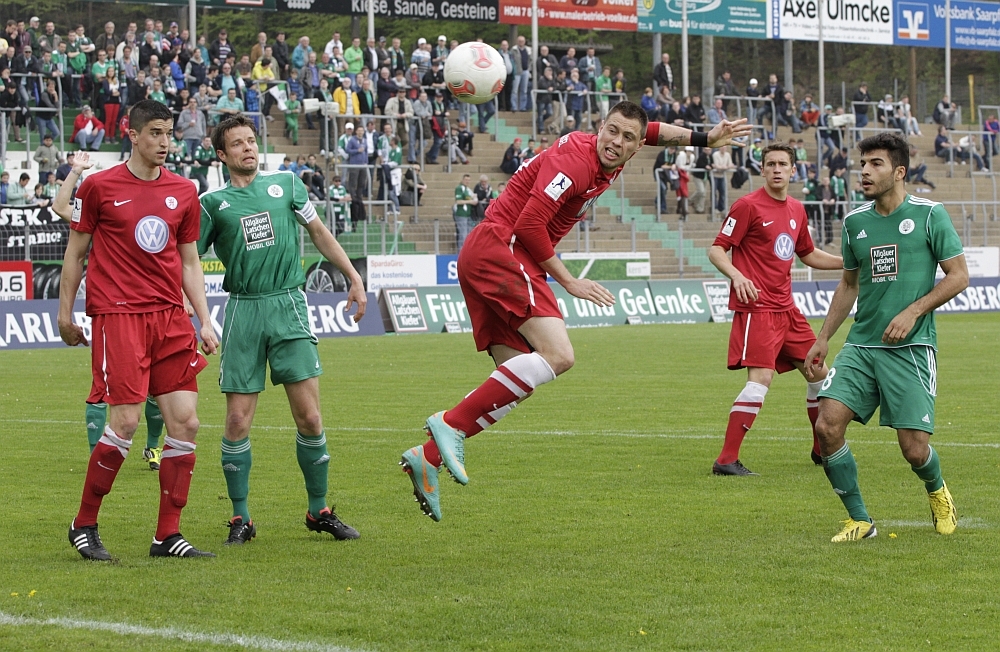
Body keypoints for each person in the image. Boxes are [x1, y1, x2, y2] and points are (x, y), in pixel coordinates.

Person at [398, 102, 752, 521]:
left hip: (490, 252)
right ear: (600, 127)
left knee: (518, 377)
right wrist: (570, 281)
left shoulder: (617, 150)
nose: (616, 142)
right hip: (504, 246)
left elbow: (655, 130)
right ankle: (450, 423)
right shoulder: (578, 163)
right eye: (611, 131)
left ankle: (428, 457)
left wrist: (705, 139)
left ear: (638, 146)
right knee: (559, 355)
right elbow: (529, 225)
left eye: (627, 137)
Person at [59, 100, 219, 561]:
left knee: (186, 422)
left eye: (169, 133)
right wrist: (65, 315)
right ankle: (83, 523)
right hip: (119, 316)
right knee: (126, 422)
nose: (165, 142)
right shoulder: (99, 186)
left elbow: (190, 262)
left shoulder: (184, 190)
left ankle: (167, 535)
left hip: (170, 318)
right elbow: (75, 254)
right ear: (132, 134)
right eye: (155, 133)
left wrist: (204, 318)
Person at [198, 114, 366, 545]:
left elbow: (318, 232)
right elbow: (187, 261)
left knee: (310, 417)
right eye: (238, 144)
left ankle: (319, 510)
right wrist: (197, 316)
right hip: (243, 311)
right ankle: (240, 517)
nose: (248, 148)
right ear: (222, 155)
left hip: (289, 305)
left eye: (251, 141)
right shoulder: (211, 204)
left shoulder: (287, 185)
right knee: (237, 420)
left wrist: (352, 275)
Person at [804, 132, 967, 542]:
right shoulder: (855, 222)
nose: (864, 171)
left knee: (914, 449)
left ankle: (937, 491)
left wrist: (913, 311)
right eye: (862, 164)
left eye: (875, 163)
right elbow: (848, 284)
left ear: (899, 172)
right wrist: (823, 337)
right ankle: (860, 520)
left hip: (910, 348)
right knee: (827, 426)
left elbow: (959, 276)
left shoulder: (930, 215)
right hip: (862, 345)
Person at [708, 143, 844, 476]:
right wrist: (738, 276)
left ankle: (821, 450)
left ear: (794, 170)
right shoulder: (747, 206)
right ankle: (726, 460)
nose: (777, 169)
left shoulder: (797, 208)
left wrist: (847, 263)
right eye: (771, 164)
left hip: (788, 310)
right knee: (761, 380)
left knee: (819, 375)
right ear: (763, 170)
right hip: (757, 309)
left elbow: (808, 254)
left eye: (783, 164)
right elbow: (717, 250)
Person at [454, 173, 477, 250]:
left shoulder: (468, 190)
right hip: (461, 214)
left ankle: (467, 250)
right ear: (462, 180)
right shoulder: (459, 188)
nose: (467, 181)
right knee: (463, 234)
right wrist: (470, 202)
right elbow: (458, 201)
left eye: (469, 180)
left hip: (468, 214)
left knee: (468, 233)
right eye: (466, 180)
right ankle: (461, 251)